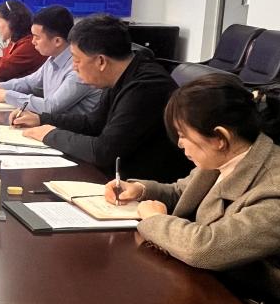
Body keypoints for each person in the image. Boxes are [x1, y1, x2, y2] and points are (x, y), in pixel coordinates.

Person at [104, 74, 280, 304]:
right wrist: (140, 190)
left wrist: (155, 220)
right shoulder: (230, 155)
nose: (180, 144)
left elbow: (206, 248)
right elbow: (183, 192)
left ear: (220, 137)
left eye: (183, 135)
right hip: (226, 287)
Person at [12, 13, 189, 181]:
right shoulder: (122, 74)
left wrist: (50, 134)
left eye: (76, 60)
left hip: (143, 188)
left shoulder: (146, 87)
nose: (74, 67)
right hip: (116, 178)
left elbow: (103, 151)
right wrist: (41, 119)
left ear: (101, 61)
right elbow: (92, 123)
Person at [0, 5, 101, 115]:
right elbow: (30, 83)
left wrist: (6, 95)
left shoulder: (79, 69)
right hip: (54, 125)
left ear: (57, 41)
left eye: (37, 37)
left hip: (73, 130)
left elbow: (51, 106)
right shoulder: (53, 58)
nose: (33, 42)